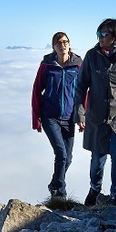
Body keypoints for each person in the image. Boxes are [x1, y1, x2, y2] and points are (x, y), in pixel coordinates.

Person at [74, 18, 116, 206]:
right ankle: (94, 189)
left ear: (115, 37)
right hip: (96, 115)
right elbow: (81, 87)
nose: (100, 38)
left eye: (104, 34)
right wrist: (80, 114)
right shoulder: (91, 56)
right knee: (98, 156)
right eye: (99, 34)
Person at [31, 31, 83, 198]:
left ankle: (54, 184)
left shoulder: (77, 65)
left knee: (68, 159)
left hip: (69, 118)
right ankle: (60, 193)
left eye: (65, 42)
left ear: (69, 44)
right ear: (54, 46)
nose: (63, 45)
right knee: (61, 154)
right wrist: (36, 119)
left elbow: (83, 92)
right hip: (50, 117)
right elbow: (37, 90)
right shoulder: (47, 65)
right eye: (59, 43)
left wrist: (82, 117)